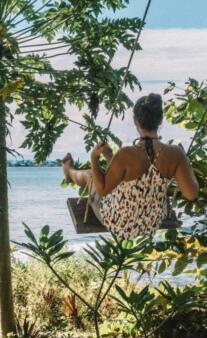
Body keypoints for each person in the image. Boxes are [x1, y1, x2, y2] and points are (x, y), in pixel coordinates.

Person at [62, 93, 199, 238]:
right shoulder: (176, 154)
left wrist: (94, 158)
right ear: (161, 120)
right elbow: (191, 194)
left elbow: (102, 190)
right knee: (116, 176)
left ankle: (69, 171)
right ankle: (77, 169)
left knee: (90, 175)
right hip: (150, 225)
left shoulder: (126, 154)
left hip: (119, 223)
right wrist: (187, 165)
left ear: (135, 121)